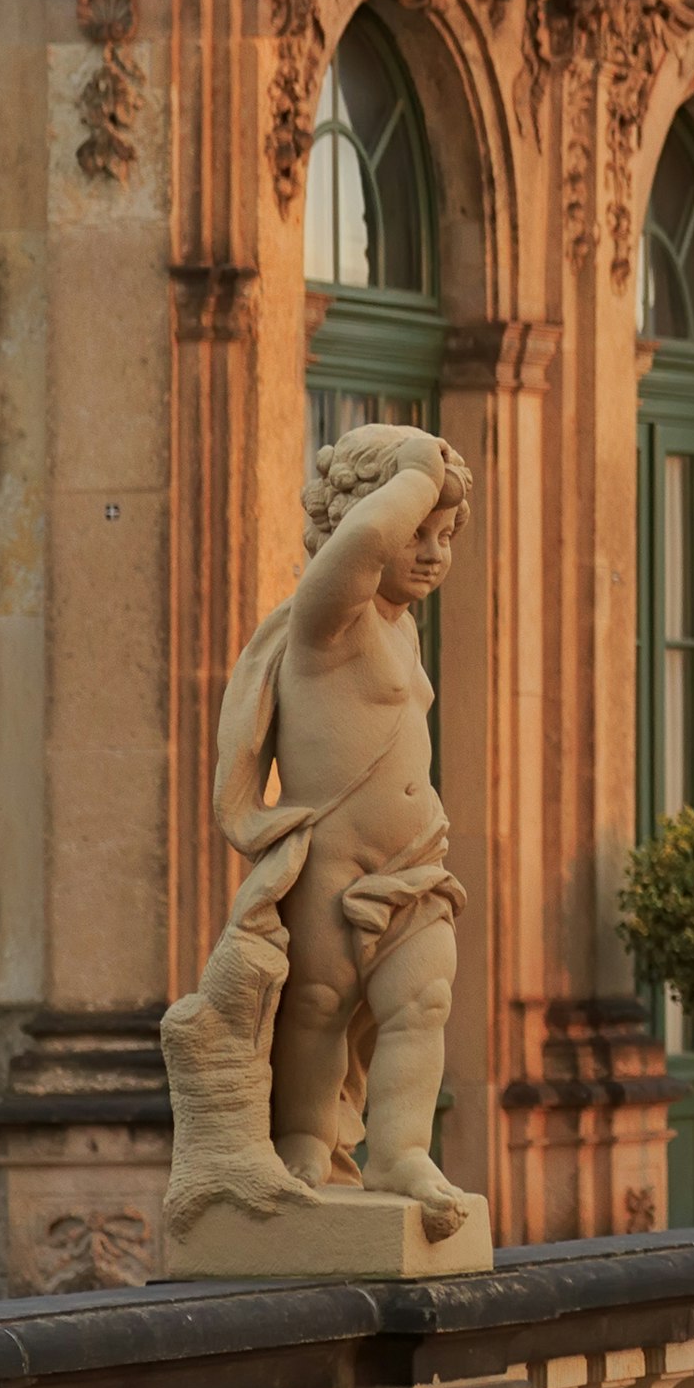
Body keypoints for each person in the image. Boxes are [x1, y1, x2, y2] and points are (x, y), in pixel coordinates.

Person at [221, 425, 473, 1224]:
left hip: (413, 861)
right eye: (415, 532)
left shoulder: (403, 628)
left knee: (422, 1001)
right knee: (319, 1007)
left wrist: (421, 490)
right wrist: (414, 474)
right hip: (332, 864)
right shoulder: (326, 620)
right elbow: (365, 542)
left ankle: (401, 1154)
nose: (430, 551)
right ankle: (302, 1136)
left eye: (443, 536)